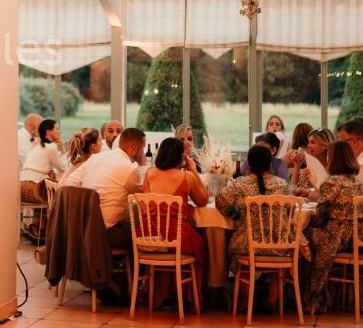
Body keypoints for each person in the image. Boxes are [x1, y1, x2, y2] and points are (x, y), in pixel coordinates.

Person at [141, 136, 208, 303]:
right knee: (202, 244)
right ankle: (186, 296)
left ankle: (162, 294)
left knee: (171, 246)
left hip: (149, 234)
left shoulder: (149, 173)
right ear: (181, 157)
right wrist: (193, 170)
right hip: (176, 235)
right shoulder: (187, 176)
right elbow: (203, 200)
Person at [303, 141, 363, 315]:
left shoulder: (332, 182)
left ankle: (312, 295)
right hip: (357, 236)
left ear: (333, 159)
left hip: (336, 237)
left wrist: (309, 218)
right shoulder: (358, 182)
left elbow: (320, 216)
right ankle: (325, 293)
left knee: (301, 235)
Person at [64, 127, 146, 251]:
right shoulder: (129, 169)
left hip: (81, 227)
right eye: (142, 148)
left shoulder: (96, 157)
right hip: (106, 232)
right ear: (135, 148)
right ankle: (129, 264)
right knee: (140, 233)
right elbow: (143, 196)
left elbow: (69, 182)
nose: (143, 153)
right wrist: (142, 165)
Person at [217, 144, 290, 261]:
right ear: (270, 164)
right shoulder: (282, 184)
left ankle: (244, 272)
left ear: (249, 164)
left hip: (246, 246)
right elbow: (289, 210)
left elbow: (221, 201)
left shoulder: (238, 184)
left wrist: (236, 215)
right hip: (280, 246)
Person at [20, 118, 66, 205]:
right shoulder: (51, 147)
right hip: (34, 189)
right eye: (57, 129)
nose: (59, 132)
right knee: (60, 198)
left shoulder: (35, 145)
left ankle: (41, 215)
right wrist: (63, 149)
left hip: (21, 188)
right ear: (48, 132)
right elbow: (63, 168)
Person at [289, 128, 334, 197]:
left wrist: (309, 191)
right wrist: (297, 166)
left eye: (312, 142)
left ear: (325, 146)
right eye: (308, 142)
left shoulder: (334, 169)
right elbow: (292, 192)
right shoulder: (309, 169)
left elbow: (330, 192)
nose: (308, 146)